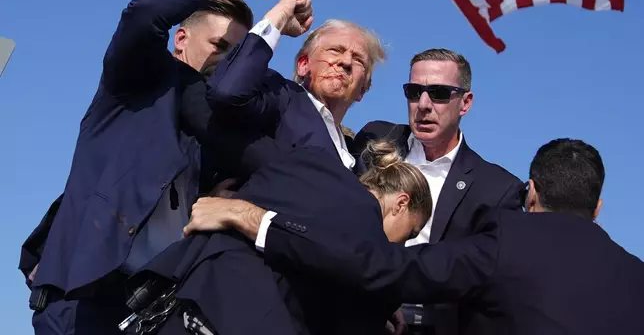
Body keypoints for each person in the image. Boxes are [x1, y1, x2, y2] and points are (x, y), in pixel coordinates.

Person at [24, 0, 285, 335]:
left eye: (237, 54)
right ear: (182, 39)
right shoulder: (135, 81)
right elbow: (146, 11)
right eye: (219, 45)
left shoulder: (220, 128)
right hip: (83, 300)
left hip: (151, 308)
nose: (227, 61)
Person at [189, 138, 644, 335]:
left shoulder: (509, 241)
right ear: (598, 208)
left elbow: (378, 267)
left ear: (531, 194)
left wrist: (255, 219)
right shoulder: (635, 277)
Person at [129, 140, 432, 335]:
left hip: (183, 300)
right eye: (411, 231)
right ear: (401, 203)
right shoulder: (372, 246)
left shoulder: (310, 163)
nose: (403, 242)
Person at [350, 48, 524, 333]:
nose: (424, 104)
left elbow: (492, 284)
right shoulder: (375, 139)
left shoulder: (497, 189)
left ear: (465, 102)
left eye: (440, 93)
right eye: (414, 91)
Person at [206, 0, 386, 175]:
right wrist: (279, 17)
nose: (346, 62)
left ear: (363, 89)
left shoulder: (356, 159)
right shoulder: (281, 97)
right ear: (303, 65)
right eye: (335, 50)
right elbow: (228, 92)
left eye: (359, 60)